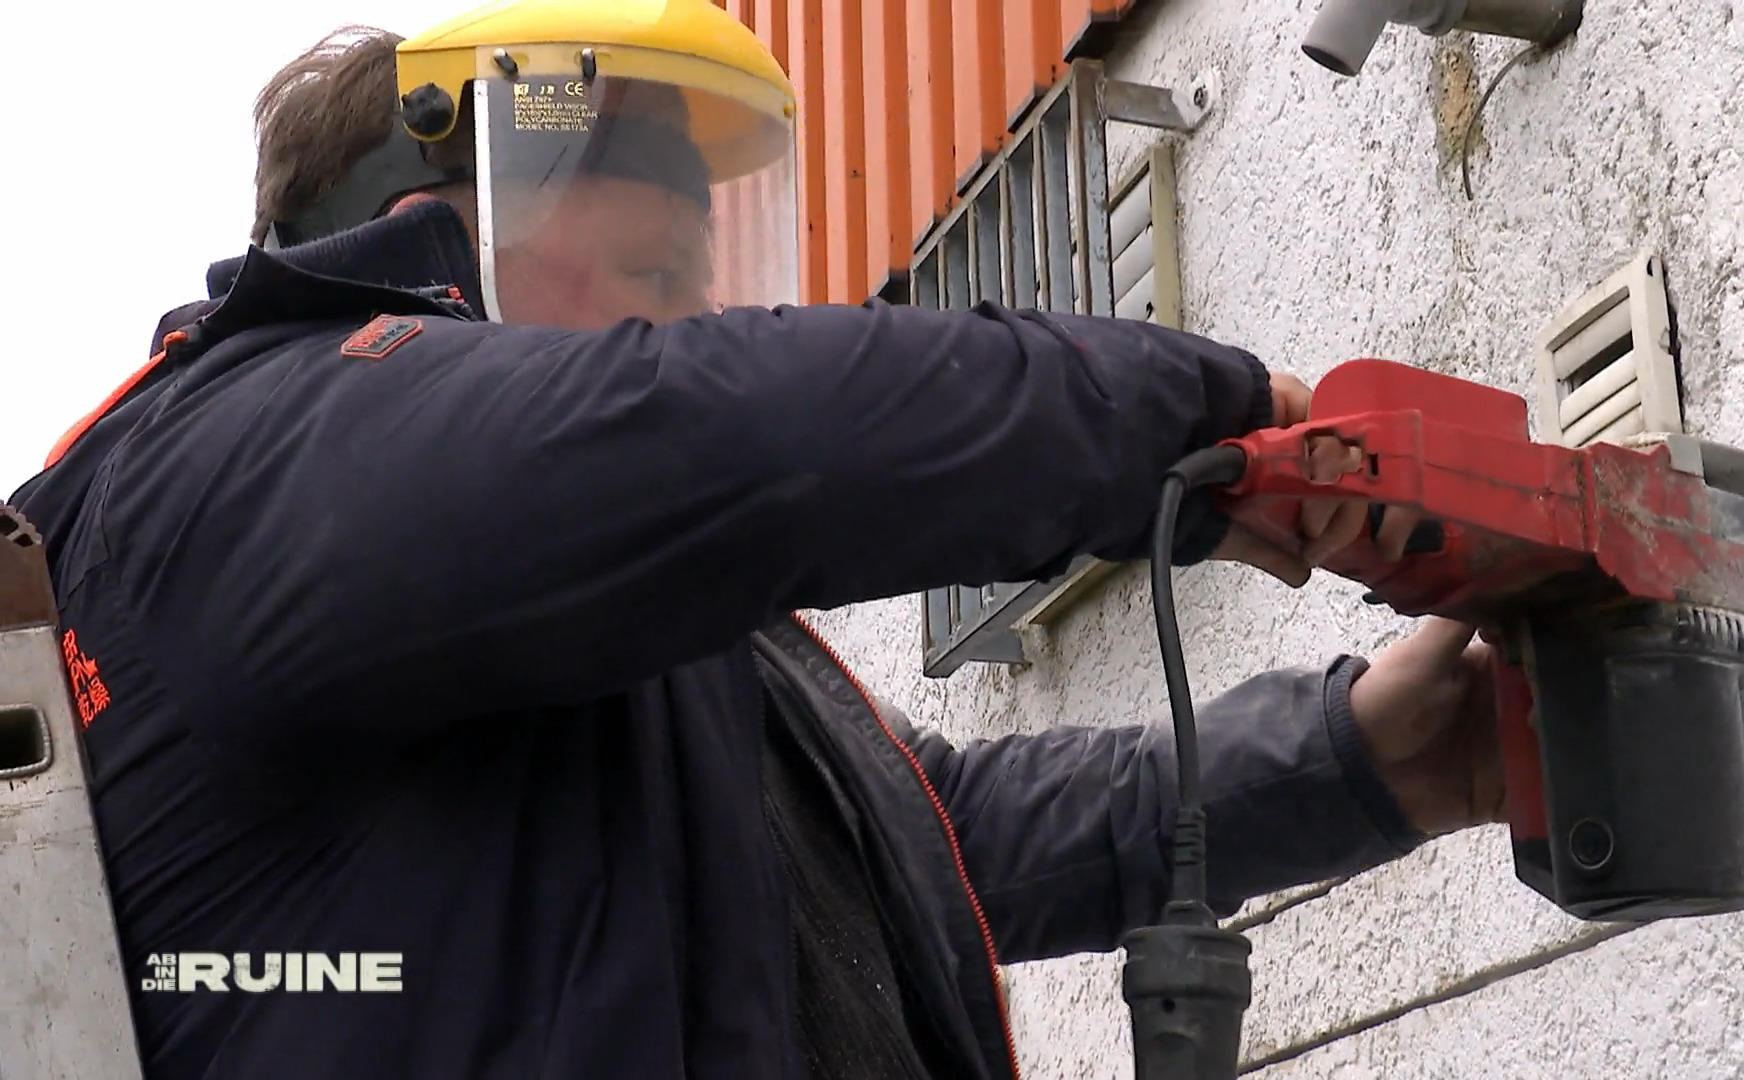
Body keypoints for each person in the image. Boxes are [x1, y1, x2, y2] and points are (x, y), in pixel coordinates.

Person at [11, 3, 1502, 1077]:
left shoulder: (635, 652)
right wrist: (1211, 425)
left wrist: (1374, 756)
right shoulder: (230, 461)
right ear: (435, 228)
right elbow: (718, 433)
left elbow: (945, 835)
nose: (705, 323)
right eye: (657, 267)